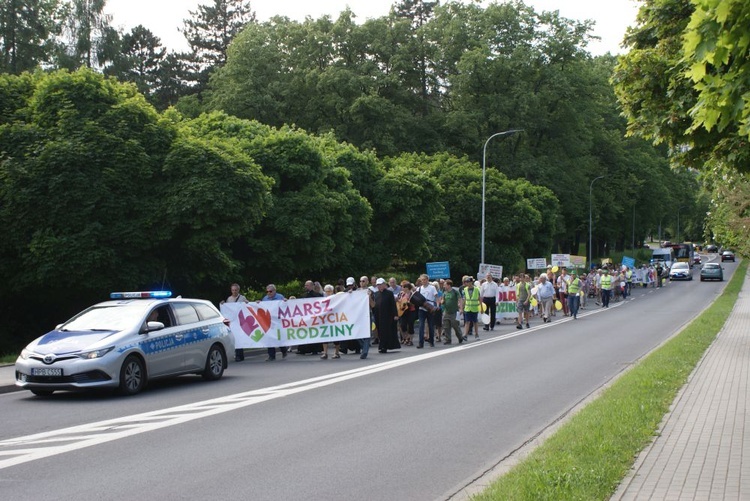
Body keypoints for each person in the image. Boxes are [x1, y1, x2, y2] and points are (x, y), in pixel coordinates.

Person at [222, 283, 248, 362]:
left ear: (238, 290)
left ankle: (240, 355)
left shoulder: (242, 298)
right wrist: (223, 304)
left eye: (235, 290)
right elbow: (227, 309)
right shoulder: (229, 299)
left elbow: (248, 305)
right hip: (233, 321)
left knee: (239, 338)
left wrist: (248, 303)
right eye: (233, 290)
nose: (234, 291)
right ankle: (238, 355)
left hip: (240, 321)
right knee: (235, 337)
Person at [373, 278, 400, 353]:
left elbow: (393, 305)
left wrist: (395, 314)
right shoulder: (376, 294)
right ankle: (382, 345)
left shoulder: (389, 293)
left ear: (384, 284)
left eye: (380, 284)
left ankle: (383, 346)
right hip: (378, 315)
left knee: (386, 331)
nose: (379, 286)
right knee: (380, 331)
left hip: (388, 315)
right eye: (378, 285)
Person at [262, 284, 288, 361]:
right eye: (267, 292)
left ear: (274, 291)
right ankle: (271, 355)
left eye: (270, 291)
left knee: (279, 338)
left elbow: (286, 307)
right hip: (269, 322)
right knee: (269, 338)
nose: (268, 293)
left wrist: (286, 302)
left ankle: (284, 350)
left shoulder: (280, 297)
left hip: (278, 321)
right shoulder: (265, 299)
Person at [415, 274, 438, 348]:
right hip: (422, 309)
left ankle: (431, 341)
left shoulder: (432, 288)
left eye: (425, 280)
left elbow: (436, 297)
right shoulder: (419, 289)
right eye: (422, 280)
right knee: (421, 326)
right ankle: (420, 343)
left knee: (431, 325)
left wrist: (437, 306)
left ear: (427, 280)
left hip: (430, 308)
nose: (423, 281)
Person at [320, 285, 341, 359]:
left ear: (332, 291)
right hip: (325, 320)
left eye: (329, 291)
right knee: (325, 336)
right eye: (326, 291)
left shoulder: (336, 298)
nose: (328, 293)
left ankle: (337, 352)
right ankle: (325, 353)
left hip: (334, 320)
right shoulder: (322, 299)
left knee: (335, 337)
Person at [440, 280, 464, 344]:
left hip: (454, 312)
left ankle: (460, 337)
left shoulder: (455, 292)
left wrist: (461, 308)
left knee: (455, 325)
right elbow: (442, 299)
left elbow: (460, 299)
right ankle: (448, 339)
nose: (444, 286)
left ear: (449, 285)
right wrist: (442, 301)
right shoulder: (444, 292)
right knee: (446, 326)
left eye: (445, 285)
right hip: (446, 312)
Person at [397, 281, 416, 346]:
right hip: (403, 311)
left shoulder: (412, 294)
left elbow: (415, 303)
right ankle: (406, 338)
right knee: (403, 325)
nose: (402, 288)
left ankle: (410, 340)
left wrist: (409, 303)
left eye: (403, 287)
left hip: (411, 311)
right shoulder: (402, 294)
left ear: (407, 288)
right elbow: (400, 302)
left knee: (410, 325)